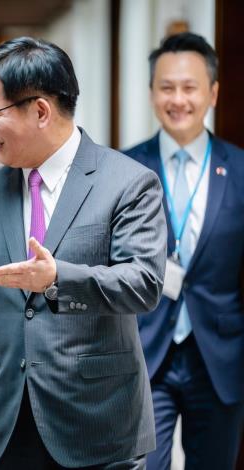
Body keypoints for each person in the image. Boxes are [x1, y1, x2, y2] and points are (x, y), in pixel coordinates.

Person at [0, 37, 167, 469]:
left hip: (97, 425)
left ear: (40, 111)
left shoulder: (128, 182)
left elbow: (143, 283)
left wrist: (58, 278)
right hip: (8, 425)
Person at [123, 32, 244, 470]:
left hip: (221, 360)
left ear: (212, 92)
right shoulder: (126, 169)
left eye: (189, 87)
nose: (178, 99)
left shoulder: (240, 170)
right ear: (152, 92)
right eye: (166, 87)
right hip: (142, 356)